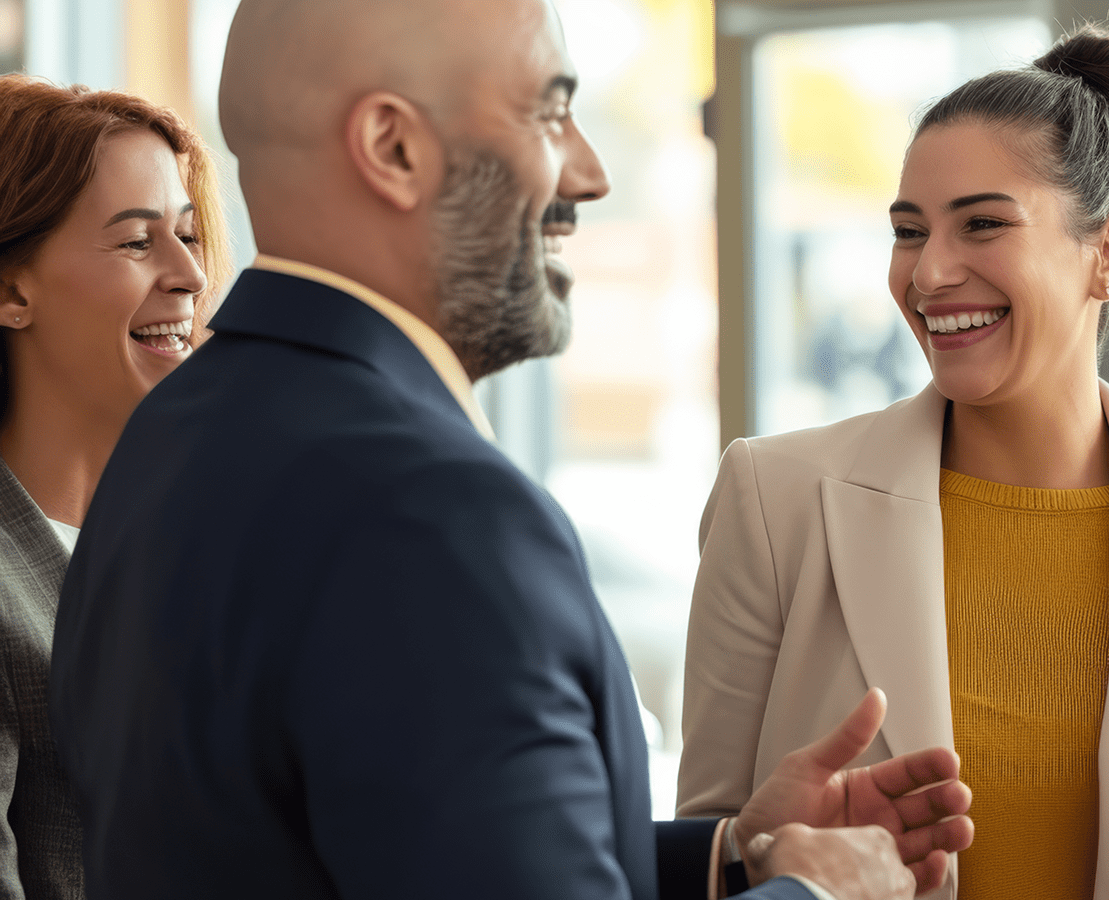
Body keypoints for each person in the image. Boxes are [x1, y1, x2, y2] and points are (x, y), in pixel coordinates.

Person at [48, 1, 972, 898]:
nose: (591, 172)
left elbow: (380, 841)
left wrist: (733, 858)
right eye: (552, 112)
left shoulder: (167, 439)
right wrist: (818, 893)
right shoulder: (434, 516)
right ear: (394, 149)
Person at [678, 25, 1109, 900]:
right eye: (908, 231)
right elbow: (705, 855)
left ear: (1108, 256)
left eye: (982, 224)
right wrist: (758, 848)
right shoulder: (774, 500)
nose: (929, 273)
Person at [0, 75, 228, 899]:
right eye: (138, 243)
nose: (190, 279)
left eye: (189, 237)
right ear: (10, 289)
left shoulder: (198, 546)